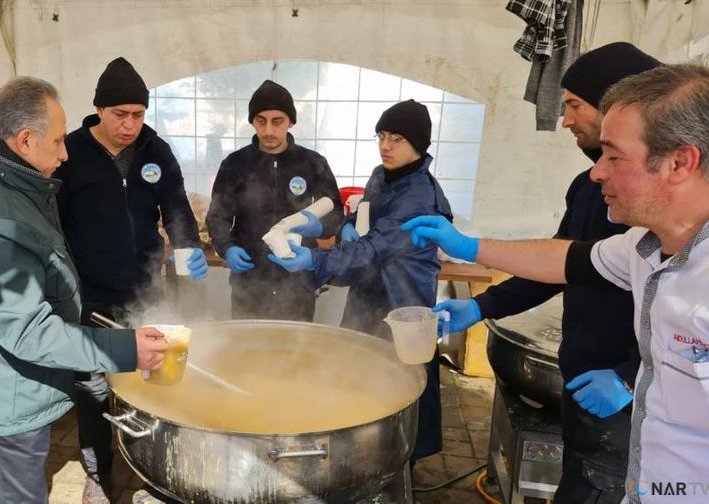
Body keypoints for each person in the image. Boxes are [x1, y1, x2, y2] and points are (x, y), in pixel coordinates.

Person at [402, 64, 709, 504]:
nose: (598, 173)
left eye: (614, 157)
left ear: (680, 162)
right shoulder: (643, 245)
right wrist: (470, 249)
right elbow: (565, 257)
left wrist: (624, 378)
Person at [0, 77, 167, 504]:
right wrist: (126, 349)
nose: (65, 153)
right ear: (25, 140)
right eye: (57, 142)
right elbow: (27, 331)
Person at [54, 57, 206, 503]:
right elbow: (55, 221)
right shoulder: (72, 152)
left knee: (148, 380)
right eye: (120, 114)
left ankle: (145, 469)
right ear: (98, 110)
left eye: (138, 114)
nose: (130, 124)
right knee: (94, 386)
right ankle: (97, 473)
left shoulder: (155, 151)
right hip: (90, 291)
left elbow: (175, 206)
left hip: (145, 286)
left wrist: (188, 246)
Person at [269, 100, 453, 462]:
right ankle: (359, 455)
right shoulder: (382, 174)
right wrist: (343, 225)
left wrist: (314, 260)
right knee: (356, 377)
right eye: (382, 136)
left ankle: (399, 466)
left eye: (397, 139)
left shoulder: (419, 197)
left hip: (402, 303)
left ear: (419, 145)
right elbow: (365, 221)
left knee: (399, 394)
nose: (386, 145)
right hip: (367, 297)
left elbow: (375, 248)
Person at [206, 79, 342, 321]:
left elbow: (336, 213)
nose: (268, 131)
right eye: (261, 121)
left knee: (294, 353)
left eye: (277, 121)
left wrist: (319, 226)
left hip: (298, 282)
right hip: (249, 284)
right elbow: (218, 216)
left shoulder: (312, 163)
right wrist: (227, 248)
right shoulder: (235, 164)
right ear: (252, 122)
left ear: (291, 121)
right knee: (247, 352)